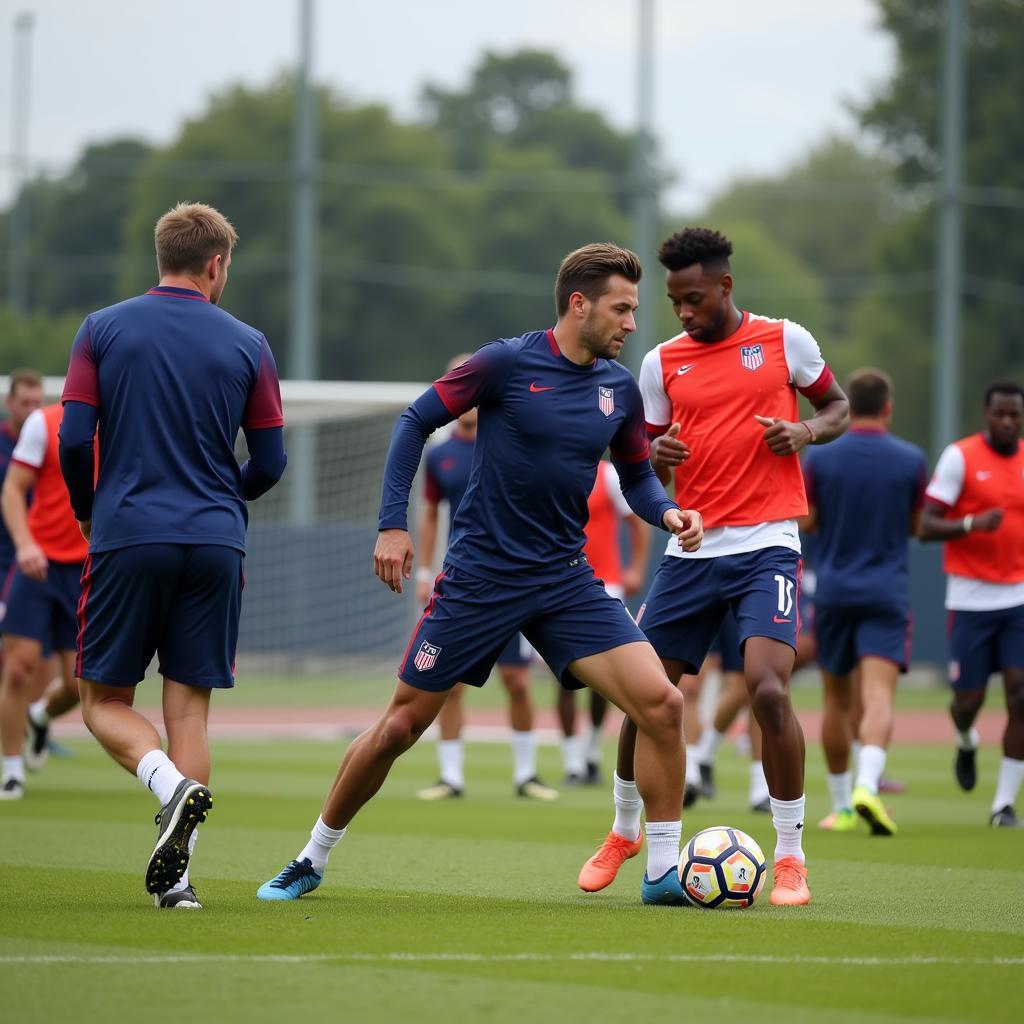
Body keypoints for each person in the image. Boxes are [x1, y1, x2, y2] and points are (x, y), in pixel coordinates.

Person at [257, 243, 703, 906]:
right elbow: (414, 421)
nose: (632, 323)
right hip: (480, 579)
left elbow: (636, 478)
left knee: (662, 704)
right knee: (402, 727)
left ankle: (661, 872)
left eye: (634, 311)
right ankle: (311, 856)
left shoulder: (618, 389)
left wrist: (668, 515)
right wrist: (392, 524)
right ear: (578, 304)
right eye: (622, 308)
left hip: (564, 580)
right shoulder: (503, 363)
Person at [578, 227, 849, 907]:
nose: (684, 313)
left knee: (767, 690)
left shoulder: (786, 340)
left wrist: (806, 432)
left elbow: (837, 406)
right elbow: (636, 450)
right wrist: (655, 455)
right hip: (691, 548)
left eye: (694, 298)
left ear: (725, 287)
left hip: (767, 546)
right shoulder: (661, 361)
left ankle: (790, 856)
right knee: (645, 697)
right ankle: (623, 830)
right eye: (675, 302)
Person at [57, 201, 287, 906]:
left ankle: (169, 787)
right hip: (217, 540)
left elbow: (72, 441)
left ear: (164, 256)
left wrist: (90, 510)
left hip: (128, 533)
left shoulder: (101, 330)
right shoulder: (249, 342)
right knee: (189, 712)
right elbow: (271, 461)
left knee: (101, 700)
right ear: (216, 264)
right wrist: (225, 496)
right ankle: (178, 885)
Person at [415, 353, 557, 803]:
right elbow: (432, 514)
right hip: (466, 580)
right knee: (449, 684)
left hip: (514, 577)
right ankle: (451, 776)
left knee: (516, 680)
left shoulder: (505, 440)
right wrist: (424, 568)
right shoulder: (441, 456)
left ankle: (526, 773)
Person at [800, 368, 928, 835]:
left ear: (849, 407)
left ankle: (842, 807)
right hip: (886, 591)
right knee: (878, 696)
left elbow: (808, 523)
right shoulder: (911, 459)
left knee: (835, 699)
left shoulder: (823, 459)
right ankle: (868, 787)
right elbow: (917, 526)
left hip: (833, 591)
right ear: (888, 408)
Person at [920, 381, 1024, 827]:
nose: (1007, 422)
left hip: (1018, 596)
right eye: (1000, 414)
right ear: (987, 415)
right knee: (968, 700)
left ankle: (1003, 805)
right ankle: (966, 739)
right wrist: (970, 523)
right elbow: (925, 526)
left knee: (1021, 695)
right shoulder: (960, 457)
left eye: (1014, 416)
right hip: (969, 598)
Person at [0, 392, 84, 801]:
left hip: (87, 570)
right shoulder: (44, 423)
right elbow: (12, 490)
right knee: (18, 668)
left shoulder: (126, 424)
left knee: (78, 686)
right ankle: (12, 771)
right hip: (37, 565)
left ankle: (40, 716)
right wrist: (25, 544)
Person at [558, 457, 650, 786]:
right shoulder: (549, 465)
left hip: (603, 583)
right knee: (564, 675)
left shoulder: (608, 473)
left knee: (602, 678)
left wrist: (637, 568)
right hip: (555, 583)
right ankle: (572, 762)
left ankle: (593, 750)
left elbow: (636, 522)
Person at [691, 608, 772, 812]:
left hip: (766, 590)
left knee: (761, 688)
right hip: (733, 594)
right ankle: (702, 756)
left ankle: (761, 789)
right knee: (742, 685)